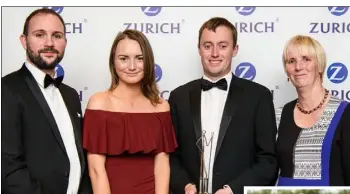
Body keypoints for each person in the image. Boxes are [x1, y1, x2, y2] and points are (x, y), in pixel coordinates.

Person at [168, 17, 278, 194]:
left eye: (223, 46)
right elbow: (170, 157)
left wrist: (233, 190)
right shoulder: (178, 97)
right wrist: (185, 186)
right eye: (207, 46)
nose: (215, 53)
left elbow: (268, 161)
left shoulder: (259, 96)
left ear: (235, 50)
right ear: (199, 49)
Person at [1, 8, 92, 194]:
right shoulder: (6, 89)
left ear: (65, 42)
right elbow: (8, 167)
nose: (49, 43)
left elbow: (79, 159)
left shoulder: (71, 95)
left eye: (57, 36)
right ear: (24, 40)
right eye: (40, 35)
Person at [82, 29, 178, 194]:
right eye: (124, 59)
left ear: (148, 61)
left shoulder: (161, 106)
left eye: (139, 58)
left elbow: (162, 166)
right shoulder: (98, 103)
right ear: (113, 62)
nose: (132, 66)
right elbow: (96, 171)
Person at [276, 35, 350, 186]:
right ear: (287, 71)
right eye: (291, 61)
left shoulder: (348, 114)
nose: (298, 67)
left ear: (320, 66)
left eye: (306, 59)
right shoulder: (279, 115)